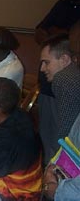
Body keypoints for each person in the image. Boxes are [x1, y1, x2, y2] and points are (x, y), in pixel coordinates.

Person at [34, 20, 80, 201]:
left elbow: (64, 139)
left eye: (46, 62)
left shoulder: (67, 80)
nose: (42, 68)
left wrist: (54, 191)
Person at [38, 34, 80, 164]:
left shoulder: (64, 79)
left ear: (64, 59)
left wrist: (54, 165)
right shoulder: (73, 73)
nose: (42, 68)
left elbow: (65, 131)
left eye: (47, 62)